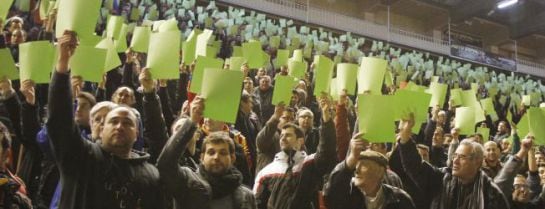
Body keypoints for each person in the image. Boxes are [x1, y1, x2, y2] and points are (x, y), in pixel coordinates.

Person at [46, 31, 164, 209]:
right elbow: (59, 120)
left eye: (127, 123)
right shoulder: (81, 155)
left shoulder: (150, 174)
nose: (119, 126)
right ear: (101, 128)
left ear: (137, 133)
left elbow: (158, 136)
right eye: (113, 121)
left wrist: (150, 93)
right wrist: (63, 65)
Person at [397, 113, 509, 209]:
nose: (455, 161)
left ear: (477, 162)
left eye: (462, 157)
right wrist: (405, 137)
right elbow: (416, 167)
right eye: (455, 156)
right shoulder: (442, 178)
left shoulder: (492, 194)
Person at [253, 95, 336, 209]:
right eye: (281, 135)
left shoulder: (308, 164)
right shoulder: (266, 172)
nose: (282, 138)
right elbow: (256, 203)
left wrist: (326, 120)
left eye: (288, 135)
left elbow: (326, 151)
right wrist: (275, 116)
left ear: (300, 141)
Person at [324, 133, 415, 209]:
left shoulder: (400, 199)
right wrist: (351, 159)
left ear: (380, 172)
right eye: (356, 165)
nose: (357, 170)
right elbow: (330, 196)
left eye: (363, 165)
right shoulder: (348, 194)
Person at [198, 132, 256, 209]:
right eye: (211, 153)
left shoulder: (247, 196)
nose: (216, 157)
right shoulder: (189, 190)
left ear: (232, 158)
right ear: (202, 158)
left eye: (222, 153)